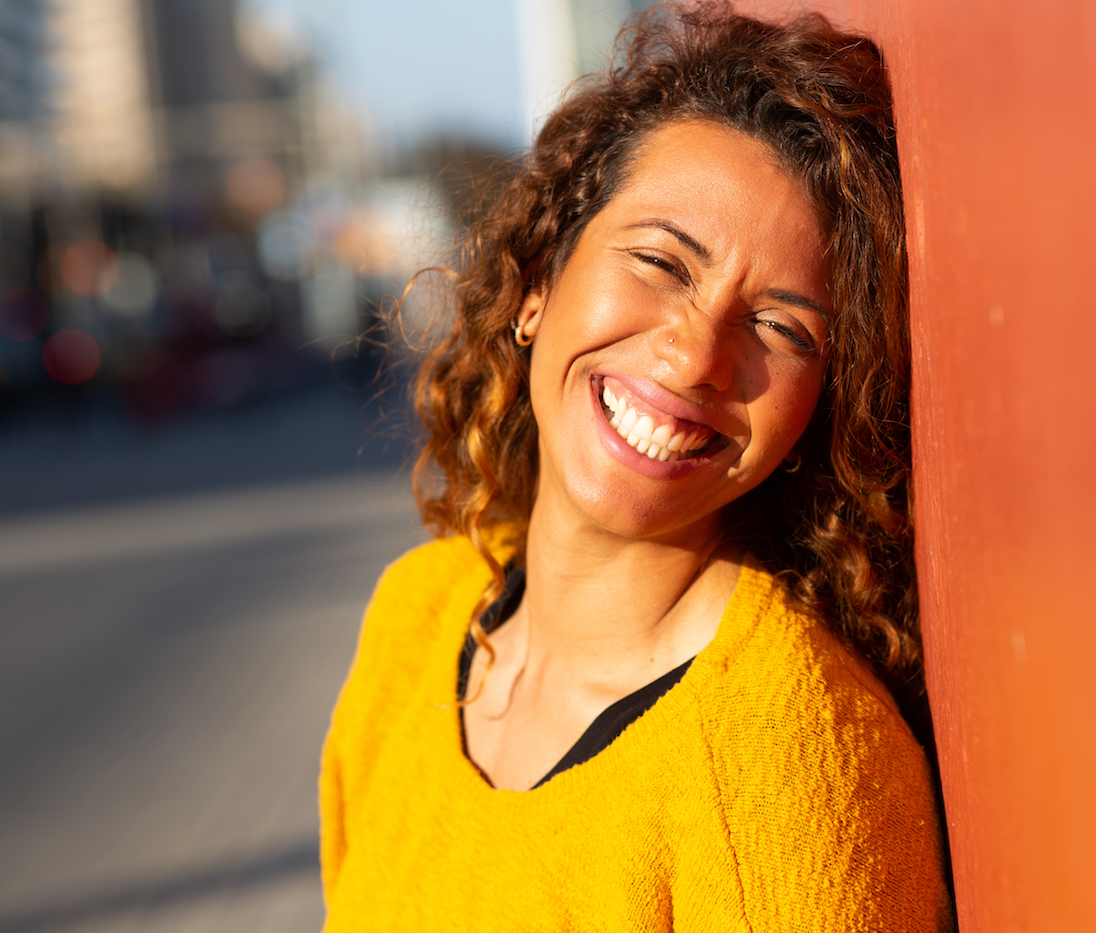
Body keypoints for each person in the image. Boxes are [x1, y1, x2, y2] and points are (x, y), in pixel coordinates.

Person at [319, 3, 955, 929]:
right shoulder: (412, 622)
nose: (695, 355)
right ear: (539, 281)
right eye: (661, 261)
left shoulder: (784, 760)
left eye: (779, 326)